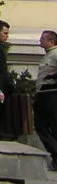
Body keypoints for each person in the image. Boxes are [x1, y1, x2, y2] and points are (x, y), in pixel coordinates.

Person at [34, 30, 57, 167]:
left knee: (51, 127)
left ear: (51, 42)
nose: (39, 40)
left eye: (42, 38)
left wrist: (52, 76)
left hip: (52, 95)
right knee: (41, 127)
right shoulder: (48, 55)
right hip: (43, 94)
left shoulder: (55, 54)